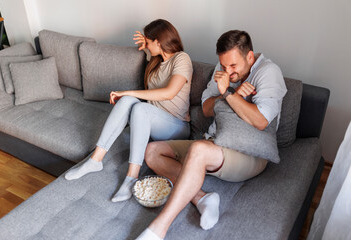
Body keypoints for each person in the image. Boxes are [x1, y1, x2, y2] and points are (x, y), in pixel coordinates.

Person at [136, 30, 287, 240]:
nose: (228, 72)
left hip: (248, 154)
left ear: (250, 57)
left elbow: (260, 121)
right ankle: (202, 198)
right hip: (214, 143)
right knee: (152, 152)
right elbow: (206, 109)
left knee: (199, 149)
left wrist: (226, 92)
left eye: (233, 66)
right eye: (224, 66)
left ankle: (158, 229)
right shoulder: (222, 69)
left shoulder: (268, 72)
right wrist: (229, 95)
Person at [65, 19, 193, 203]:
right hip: (153, 123)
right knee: (127, 101)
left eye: (149, 41)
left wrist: (128, 91)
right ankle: (95, 160)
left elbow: (169, 93)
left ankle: (131, 178)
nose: (146, 45)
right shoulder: (156, 61)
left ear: (159, 41)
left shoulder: (182, 59)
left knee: (139, 106)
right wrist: (147, 49)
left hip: (176, 127)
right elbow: (152, 64)